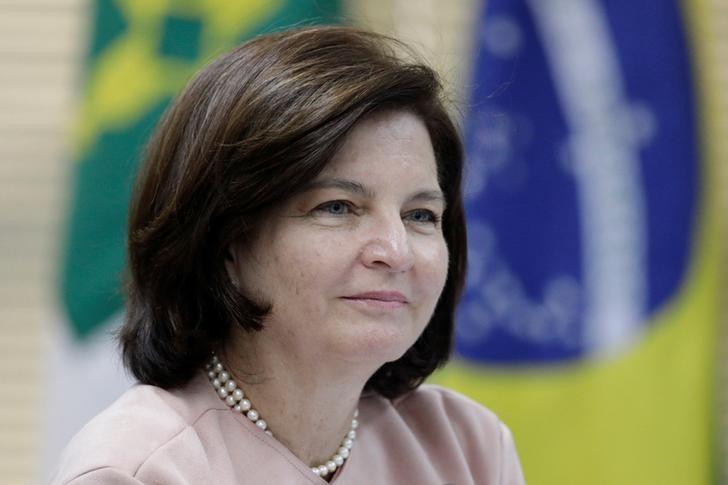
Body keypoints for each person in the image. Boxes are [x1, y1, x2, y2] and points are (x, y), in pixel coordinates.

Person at [50, 26, 525, 484]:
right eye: (337, 207)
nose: (395, 251)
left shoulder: (465, 448)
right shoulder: (137, 472)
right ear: (226, 242)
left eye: (420, 215)